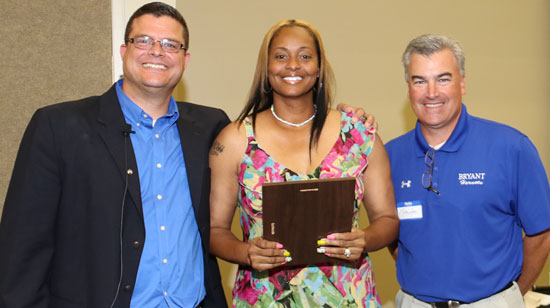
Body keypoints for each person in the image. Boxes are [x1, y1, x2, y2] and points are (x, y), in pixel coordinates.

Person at [0, 3, 229, 307]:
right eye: (144, 40)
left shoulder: (212, 128)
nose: (157, 51)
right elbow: (22, 247)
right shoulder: (58, 127)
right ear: (124, 50)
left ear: (185, 59)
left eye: (170, 44)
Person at [209, 19, 399, 307]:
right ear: (267, 67)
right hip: (266, 298)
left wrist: (364, 240)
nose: (293, 65)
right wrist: (245, 252)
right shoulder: (236, 139)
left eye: (305, 56)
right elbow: (213, 230)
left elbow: (387, 221)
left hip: (347, 296)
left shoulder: (358, 134)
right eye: (281, 56)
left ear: (319, 67)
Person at [385, 34, 550, 308]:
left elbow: (541, 235)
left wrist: (510, 295)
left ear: (462, 83)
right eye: (419, 81)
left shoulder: (512, 148)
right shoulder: (389, 156)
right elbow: (389, 230)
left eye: (443, 78)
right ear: (408, 87)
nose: (431, 92)